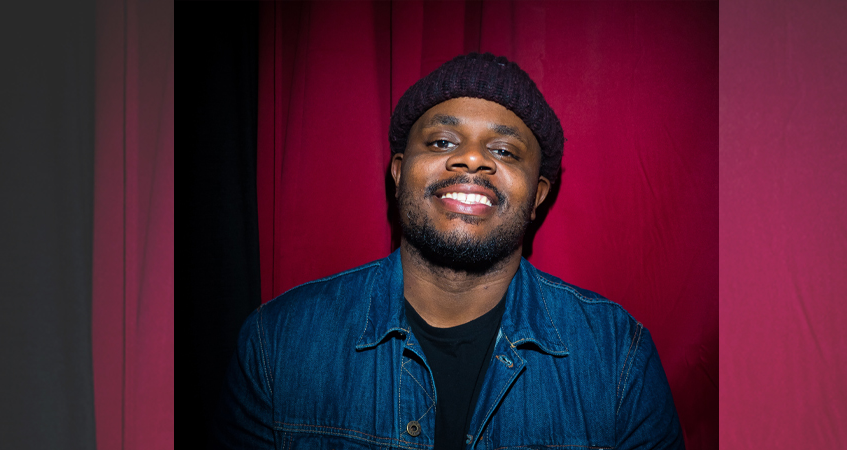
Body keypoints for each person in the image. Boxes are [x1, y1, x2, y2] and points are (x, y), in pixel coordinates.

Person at [215, 52, 684, 450]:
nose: (473, 159)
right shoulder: (277, 342)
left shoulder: (618, 357)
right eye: (442, 142)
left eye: (504, 151)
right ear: (398, 172)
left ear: (538, 194)